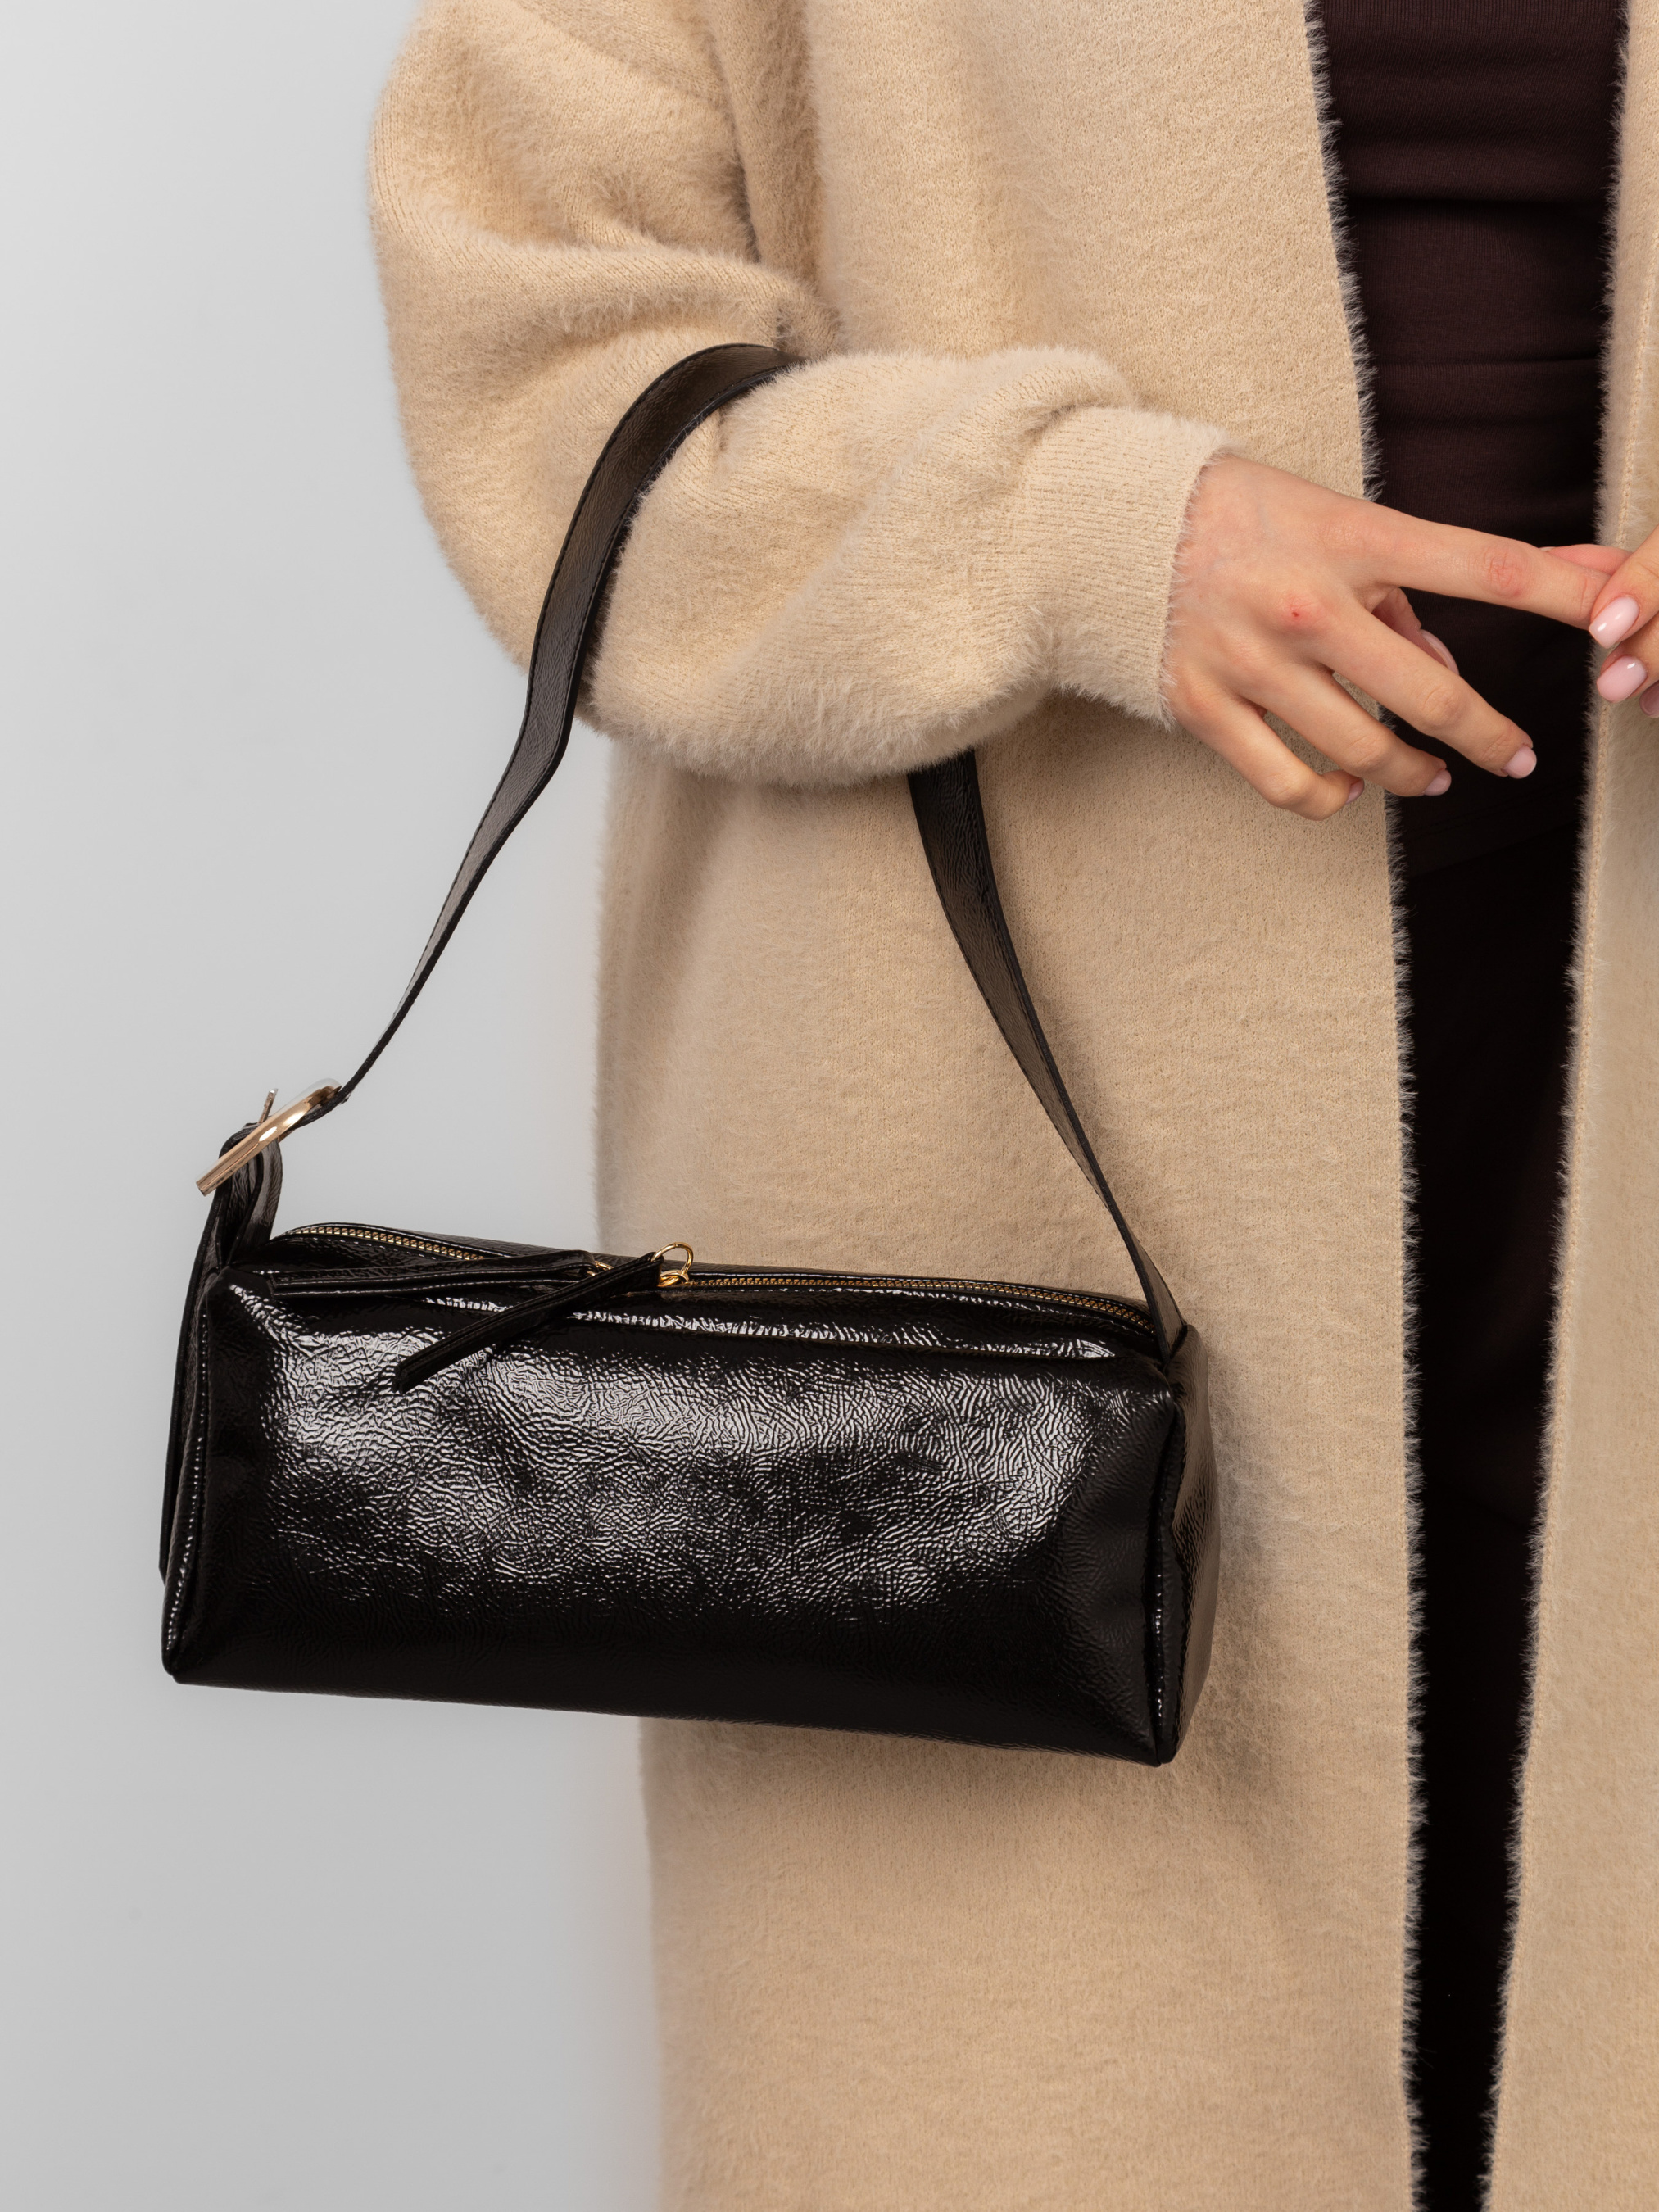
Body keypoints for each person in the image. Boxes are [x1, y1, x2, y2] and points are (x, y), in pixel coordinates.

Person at [369, 3, 1659, 2205]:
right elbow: (542, 361)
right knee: (1045, 2075)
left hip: (1590, 1064)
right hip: (1018, 1120)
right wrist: (1071, 530)